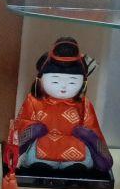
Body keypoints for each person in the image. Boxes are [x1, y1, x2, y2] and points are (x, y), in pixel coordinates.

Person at [12, 37, 112, 176]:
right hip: (42, 146)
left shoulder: (84, 104)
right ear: (41, 80)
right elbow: (22, 124)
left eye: (72, 82)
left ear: (83, 83)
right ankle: (41, 165)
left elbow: (92, 129)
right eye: (55, 81)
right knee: (38, 163)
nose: (63, 87)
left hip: (75, 148)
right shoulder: (34, 101)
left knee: (78, 166)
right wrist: (33, 130)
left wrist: (86, 134)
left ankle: (74, 167)